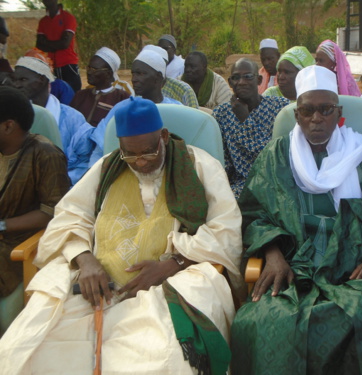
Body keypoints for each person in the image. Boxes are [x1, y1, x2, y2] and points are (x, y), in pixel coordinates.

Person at [0, 96, 245, 374]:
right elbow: (69, 215)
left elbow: (225, 231)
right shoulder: (109, 166)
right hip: (99, 282)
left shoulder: (200, 166)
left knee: (162, 356)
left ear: (163, 136)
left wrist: (172, 264)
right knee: (34, 344)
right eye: (130, 154)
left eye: (148, 153)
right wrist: (85, 259)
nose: (140, 163)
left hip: (173, 280)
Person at [231, 65, 362, 374]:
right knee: (266, 319)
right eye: (307, 110)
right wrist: (271, 254)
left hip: (357, 266)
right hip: (295, 265)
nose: (316, 118)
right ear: (297, 115)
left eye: (325, 110)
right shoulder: (276, 155)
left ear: (337, 112)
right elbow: (253, 212)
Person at [0, 86, 70, 334]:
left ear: (8, 126)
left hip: (15, 245)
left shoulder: (44, 154)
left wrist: (3, 225)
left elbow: (54, 212)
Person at [88, 49, 182, 168]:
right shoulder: (121, 109)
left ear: (158, 78)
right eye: (133, 73)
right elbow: (100, 151)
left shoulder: (177, 111)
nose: (134, 79)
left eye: (141, 74)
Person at [213, 58, 289, 198]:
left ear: (259, 80)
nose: (241, 82)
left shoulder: (279, 108)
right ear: (230, 83)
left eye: (248, 77)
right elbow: (224, 162)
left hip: (274, 183)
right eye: (236, 78)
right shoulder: (221, 114)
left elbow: (273, 158)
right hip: (238, 186)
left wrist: (245, 120)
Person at [13, 55, 94, 185]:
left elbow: (84, 162)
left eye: (23, 79)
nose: (17, 85)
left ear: (42, 79)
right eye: (15, 80)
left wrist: (58, 182)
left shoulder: (72, 118)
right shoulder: (13, 116)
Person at [70, 47, 130, 126]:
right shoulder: (80, 96)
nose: (89, 72)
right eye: (89, 68)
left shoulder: (122, 98)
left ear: (108, 74)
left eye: (95, 70)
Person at [36, 0, 82, 92]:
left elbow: (65, 44)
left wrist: (46, 42)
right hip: (51, 66)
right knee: (55, 95)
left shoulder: (68, 18)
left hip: (68, 64)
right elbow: (38, 45)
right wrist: (58, 44)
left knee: (73, 93)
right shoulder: (43, 21)